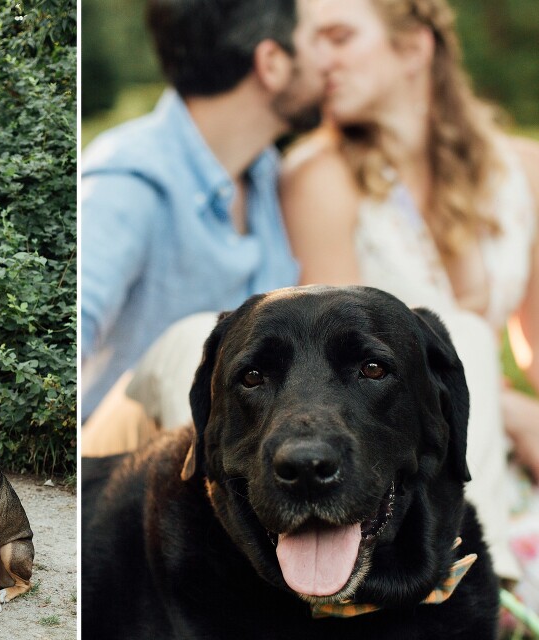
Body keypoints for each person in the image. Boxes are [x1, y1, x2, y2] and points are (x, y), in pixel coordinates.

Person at [276, 0, 539, 587]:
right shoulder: (318, 177)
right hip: (403, 456)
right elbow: (332, 342)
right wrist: (512, 411)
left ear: (415, 48)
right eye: (310, 41)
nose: (319, 59)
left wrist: (523, 419)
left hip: (500, 445)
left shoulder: (525, 170)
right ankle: (477, 600)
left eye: (339, 37)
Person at [80, 0, 325, 453]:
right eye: (316, 41)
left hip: (236, 454)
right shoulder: (129, 180)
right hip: (113, 465)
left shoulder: (268, 176)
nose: (328, 62)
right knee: (203, 343)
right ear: (271, 63)